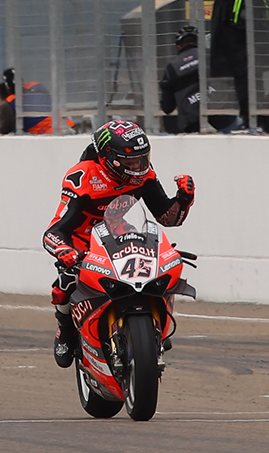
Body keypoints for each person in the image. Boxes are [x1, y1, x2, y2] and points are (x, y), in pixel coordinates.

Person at [42, 120, 196, 368]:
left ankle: (157, 323)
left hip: (123, 236)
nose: (138, 167)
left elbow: (167, 218)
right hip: (84, 243)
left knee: (162, 272)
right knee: (64, 285)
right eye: (130, 161)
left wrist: (184, 199)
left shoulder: (143, 175)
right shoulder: (81, 177)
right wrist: (64, 250)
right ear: (108, 158)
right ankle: (64, 329)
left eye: (142, 159)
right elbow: (55, 230)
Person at [206, 0, 269, 131]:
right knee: (256, 79)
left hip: (233, 31)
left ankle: (248, 118)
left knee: (241, 78)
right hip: (258, 32)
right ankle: (261, 119)